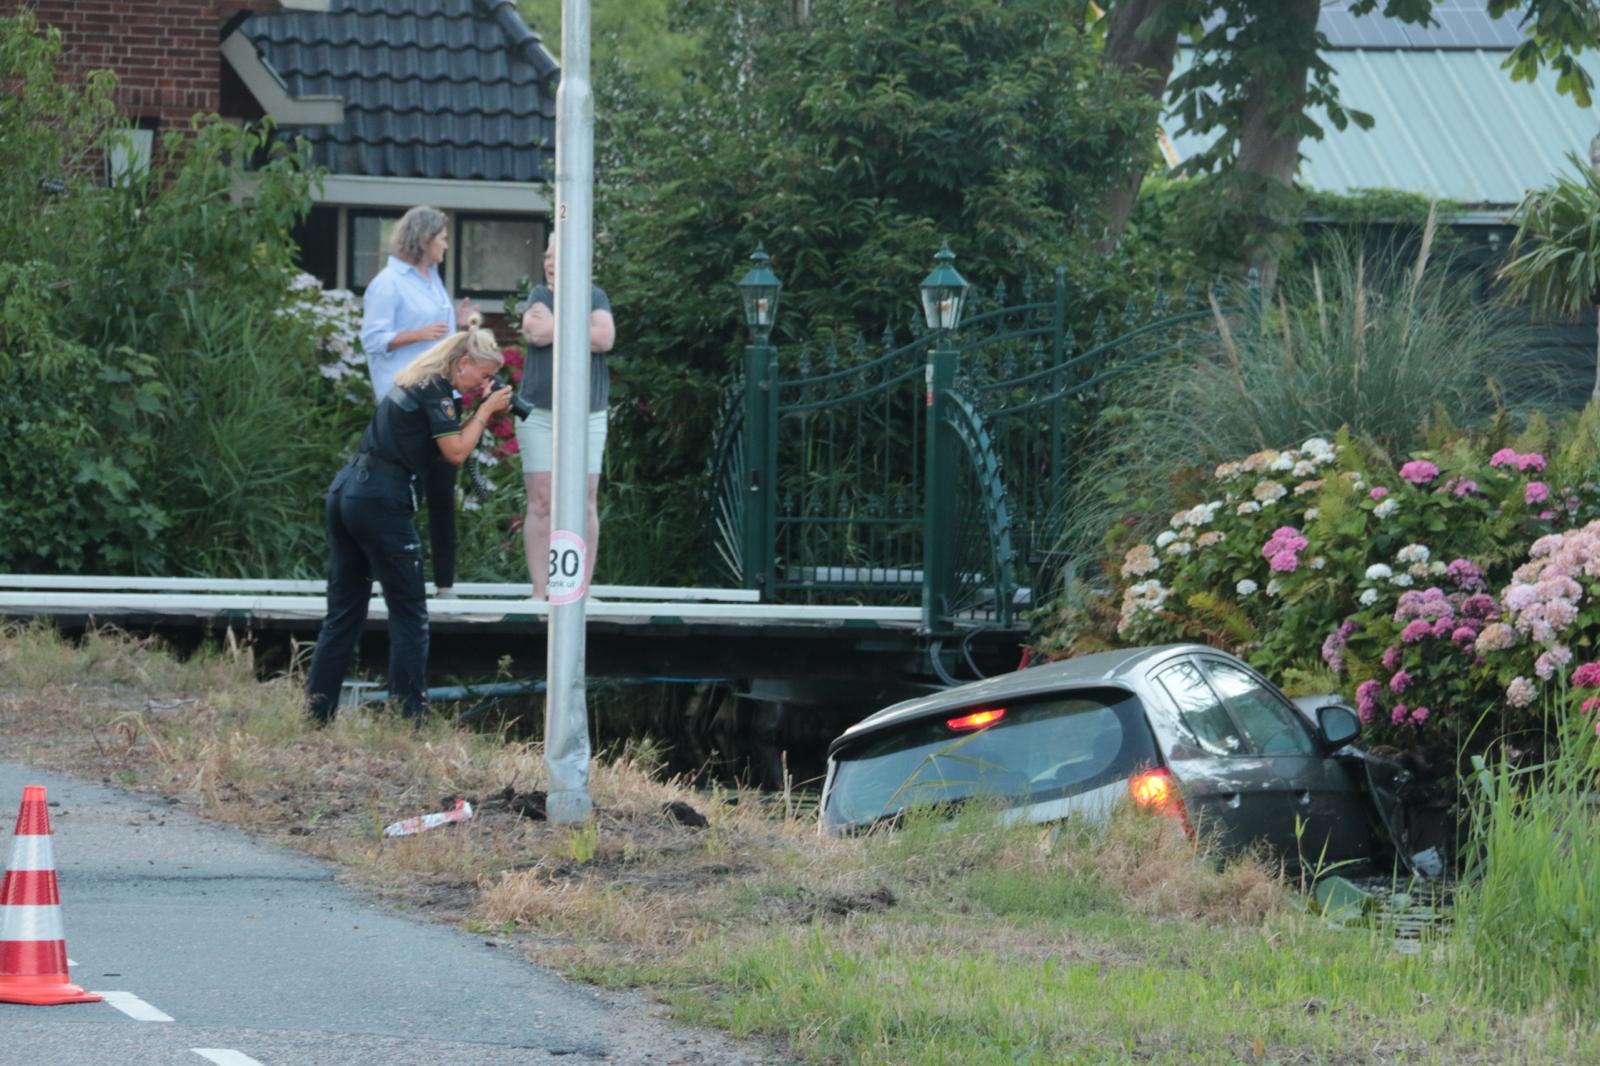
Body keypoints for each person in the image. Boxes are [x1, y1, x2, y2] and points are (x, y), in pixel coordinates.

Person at [305, 319, 513, 724]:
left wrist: (476, 406)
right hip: (380, 500)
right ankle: (409, 719)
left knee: (344, 613)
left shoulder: (418, 382)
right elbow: (455, 453)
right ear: (463, 363)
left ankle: (317, 713)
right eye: (482, 376)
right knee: (410, 613)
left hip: (347, 490)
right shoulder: (438, 392)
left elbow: (443, 439)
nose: (482, 385)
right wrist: (486, 410)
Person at [359, 205, 480, 598]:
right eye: (442, 238)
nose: (446, 244)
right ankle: (386, 578)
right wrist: (419, 333)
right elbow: (373, 340)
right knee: (397, 494)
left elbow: (439, 337)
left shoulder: (433, 280)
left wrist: (459, 322)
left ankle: (445, 584)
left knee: (442, 492)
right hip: (405, 406)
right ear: (425, 239)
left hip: (438, 396)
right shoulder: (388, 283)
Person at [515, 239, 616, 597]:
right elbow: (534, 332)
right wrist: (579, 327)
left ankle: (578, 591)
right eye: (547, 256)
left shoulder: (596, 297)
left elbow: (605, 338)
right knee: (542, 501)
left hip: (589, 415)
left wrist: (557, 325)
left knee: (585, 501)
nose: (550, 263)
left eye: (558, 256)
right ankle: (541, 591)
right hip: (537, 413)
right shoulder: (539, 295)